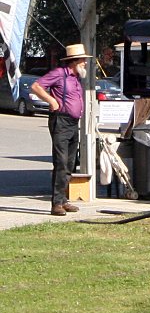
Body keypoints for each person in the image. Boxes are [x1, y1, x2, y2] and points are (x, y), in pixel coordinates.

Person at [31, 44, 92, 216]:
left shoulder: (76, 77)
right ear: (74, 61)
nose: (85, 64)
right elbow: (36, 86)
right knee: (61, 162)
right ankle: (56, 204)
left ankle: (63, 200)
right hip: (61, 121)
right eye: (83, 61)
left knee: (71, 162)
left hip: (73, 123)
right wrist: (52, 101)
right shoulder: (59, 74)